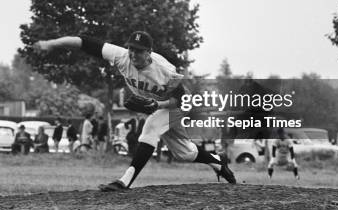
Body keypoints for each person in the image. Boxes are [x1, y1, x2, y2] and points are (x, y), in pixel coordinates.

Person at [33, 31, 236, 192]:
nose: (133, 54)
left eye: (138, 51)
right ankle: (218, 161)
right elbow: (83, 42)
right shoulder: (122, 57)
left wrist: (158, 106)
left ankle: (125, 181)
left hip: (177, 104)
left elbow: (181, 99)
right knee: (184, 154)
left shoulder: (165, 70)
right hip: (159, 106)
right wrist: (51, 44)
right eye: (131, 49)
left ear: (149, 52)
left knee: (150, 127)